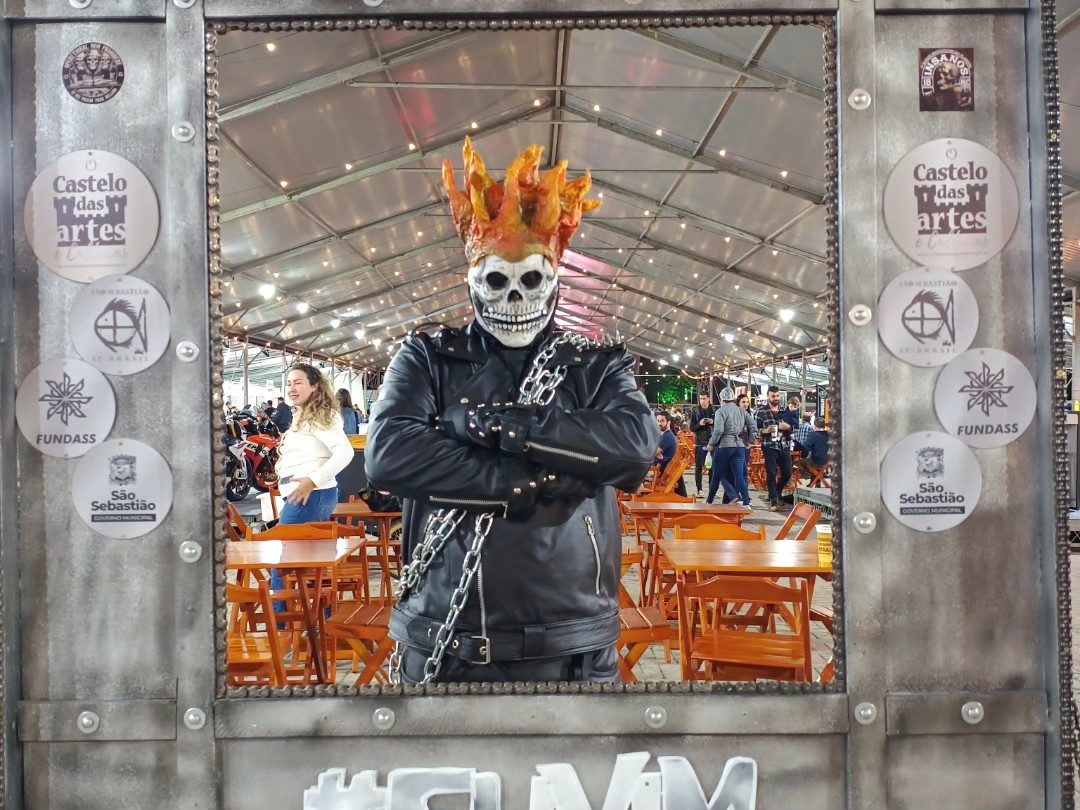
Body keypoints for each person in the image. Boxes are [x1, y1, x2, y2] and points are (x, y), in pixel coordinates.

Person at [365, 137, 658, 685]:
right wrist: (536, 481)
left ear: (554, 282)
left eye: (531, 280)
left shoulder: (596, 365)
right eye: (497, 280)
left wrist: (487, 425)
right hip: (445, 640)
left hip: (573, 644)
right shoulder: (428, 357)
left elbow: (635, 446)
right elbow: (389, 455)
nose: (515, 299)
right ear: (472, 282)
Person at [269, 364, 355, 602]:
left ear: (315, 386)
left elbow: (345, 452)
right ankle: (319, 615)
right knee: (307, 562)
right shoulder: (306, 414)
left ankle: (279, 619)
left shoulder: (319, 416)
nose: (292, 388)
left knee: (282, 562)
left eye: (298, 383)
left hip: (308, 497)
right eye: (289, 383)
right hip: (308, 496)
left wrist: (312, 481)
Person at [705, 387, 758, 506]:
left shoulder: (720, 411)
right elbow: (753, 426)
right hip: (740, 446)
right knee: (740, 476)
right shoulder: (741, 410)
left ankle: (710, 501)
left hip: (725, 446)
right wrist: (750, 441)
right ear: (733, 398)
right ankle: (746, 503)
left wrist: (711, 444)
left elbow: (718, 431)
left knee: (717, 474)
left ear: (721, 399)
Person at [756, 386, 793, 511]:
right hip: (769, 445)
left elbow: (794, 428)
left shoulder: (785, 411)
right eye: (773, 396)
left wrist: (788, 427)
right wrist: (765, 430)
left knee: (787, 473)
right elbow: (755, 431)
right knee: (771, 473)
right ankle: (773, 499)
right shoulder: (761, 411)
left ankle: (776, 491)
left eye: (777, 396)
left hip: (784, 445)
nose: (776, 398)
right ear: (768, 396)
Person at [688, 392, 715, 498]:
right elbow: (692, 428)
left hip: (712, 441)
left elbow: (720, 426)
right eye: (701, 399)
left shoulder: (714, 410)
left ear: (708, 399)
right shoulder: (695, 411)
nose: (702, 401)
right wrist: (699, 424)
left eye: (704, 398)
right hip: (700, 442)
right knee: (699, 467)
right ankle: (699, 489)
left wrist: (713, 422)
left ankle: (712, 489)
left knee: (712, 467)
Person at [737, 394, 753, 489]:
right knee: (738, 470)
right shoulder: (735, 415)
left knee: (744, 469)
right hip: (736, 446)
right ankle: (738, 492)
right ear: (738, 403)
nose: (746, 404)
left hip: (746, 446)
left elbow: (753, 430)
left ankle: (744, 492)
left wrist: (750, 442)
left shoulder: (750, 415)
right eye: (743, 402)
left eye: (747, 402)